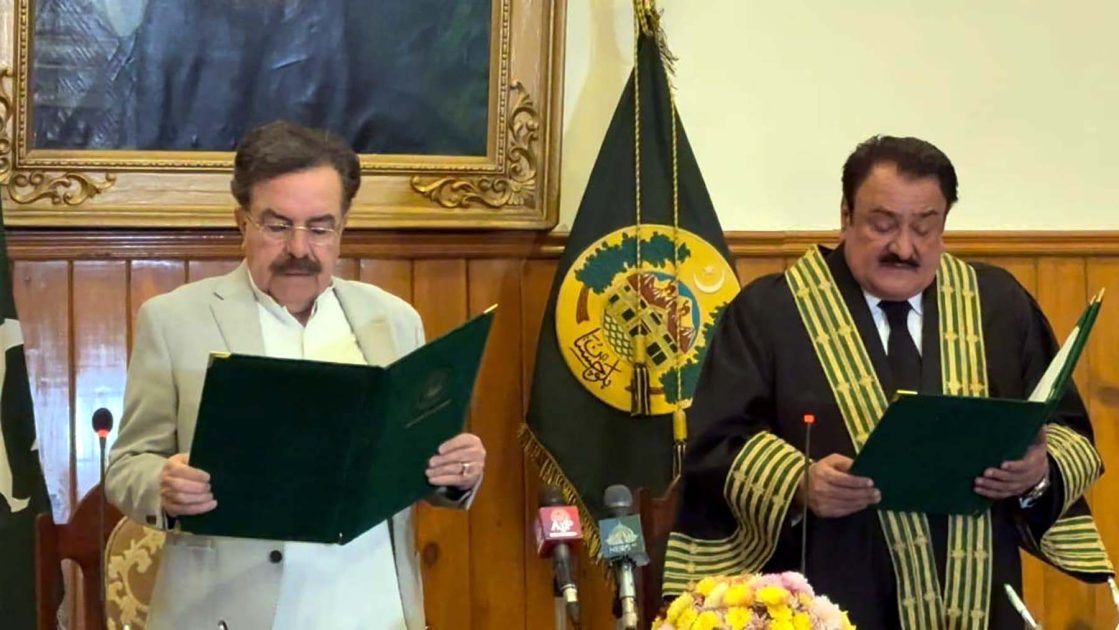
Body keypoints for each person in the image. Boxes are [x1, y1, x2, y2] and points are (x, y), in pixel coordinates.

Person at [663, 135, 1113, 629]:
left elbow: (1068, 432)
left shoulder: (999, 305)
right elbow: (716, 442)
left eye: (924, 227)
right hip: (831, 597)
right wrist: (797, 482)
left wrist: (1037, 473)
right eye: (883, 225)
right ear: (846, 216)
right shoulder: (770, 312)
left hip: (981, 602)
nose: (904, 247)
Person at [105, 120, 487, 629]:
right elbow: (128, 464)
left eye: (320, 228)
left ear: (342, 227)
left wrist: (457, 471)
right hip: (231, 612)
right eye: (278, 226)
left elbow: (417, 458)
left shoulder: (394, 320)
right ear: (242, 223)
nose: (300, 249)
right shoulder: (175, 320)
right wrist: (163, 485)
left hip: (374, 609)